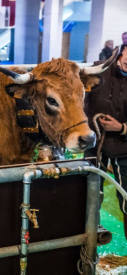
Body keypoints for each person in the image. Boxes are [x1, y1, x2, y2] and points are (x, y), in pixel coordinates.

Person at [84, 46, 127, 241]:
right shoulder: (97, 70)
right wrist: (89, 122)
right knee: (88, 199)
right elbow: (81, 104)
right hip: (94, 145)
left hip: (124, 148)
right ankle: (86, 252)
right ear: (121, 53)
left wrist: (121, 127)